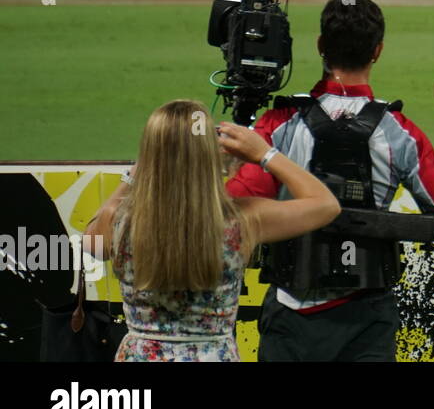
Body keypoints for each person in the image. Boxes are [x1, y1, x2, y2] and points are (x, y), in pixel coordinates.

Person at [225, 0, 434, 360]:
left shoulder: (277, 124)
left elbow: (236, 206)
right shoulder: (401, 133)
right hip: (368, 319)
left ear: (321, 46)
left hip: (290, 317)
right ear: (377, 51)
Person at [82, 100, 340, 361]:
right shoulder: (244, 219)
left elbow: (91, 244)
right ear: (210, 155)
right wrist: (265, 154)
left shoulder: (117, 218)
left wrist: (135, 174)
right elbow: (326, 205)